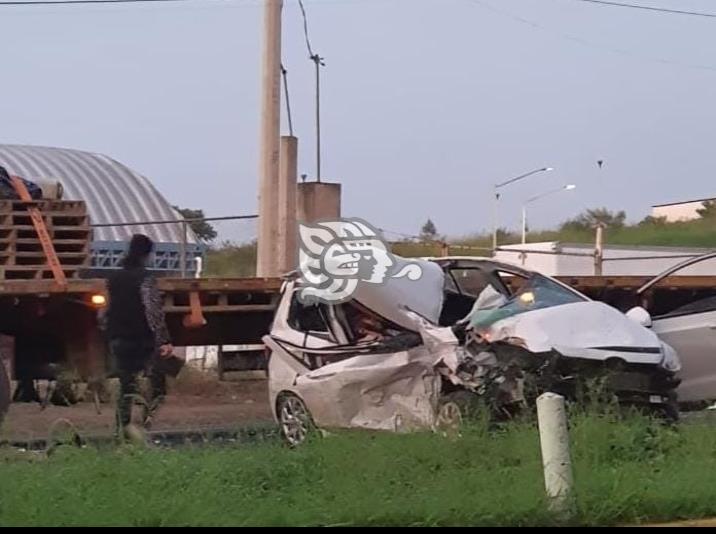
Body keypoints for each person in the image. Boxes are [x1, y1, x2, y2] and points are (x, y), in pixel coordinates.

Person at [106, 234, 173, 437]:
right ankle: (144, 425)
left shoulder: (113, 279)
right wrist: (164, 340)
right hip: (142, 340)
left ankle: (123, 429)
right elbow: (153, 312)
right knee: (158, 386)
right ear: (147, 254)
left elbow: (105, 310)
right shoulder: (146, 279)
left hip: (119, 338)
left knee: (126, 387)